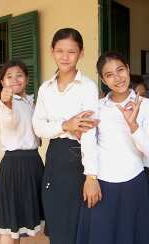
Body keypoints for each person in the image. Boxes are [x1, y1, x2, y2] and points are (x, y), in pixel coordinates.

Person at [76, 51, 149, 244]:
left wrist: (134, 126)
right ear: (103, 80)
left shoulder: (146, 106)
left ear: (128, 69)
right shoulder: (96, 108)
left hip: (134, 183)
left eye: (120, 70)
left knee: (130, 237)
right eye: (109, 74)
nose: (117, 78)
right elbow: (89, 146)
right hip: (102, 184)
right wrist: (90, 178)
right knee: (101, 237)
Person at [32, 28, 101, 244]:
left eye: (71, 51)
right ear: (52, 51)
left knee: (77, 223)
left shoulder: (88, 87)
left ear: (81, 53)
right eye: (60, 50)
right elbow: (38, 127)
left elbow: (89, 134)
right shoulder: (46, 89)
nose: (65, 56)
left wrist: (91, 177)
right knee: (57, 218)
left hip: (79, 159)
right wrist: (66, 125)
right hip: (55, 156)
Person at [0, 59, 44, 244]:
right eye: (9, 76)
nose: (14, 79)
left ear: (27, 78)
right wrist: (7, 104)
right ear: (2, 83)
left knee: (23, 217)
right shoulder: (5, 105)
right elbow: (10, 121)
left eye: (19, 75)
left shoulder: (30, 102)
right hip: (14, 166)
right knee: (10, 222)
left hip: (34, 163)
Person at [131, 75, 149, 244]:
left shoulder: (148, 111)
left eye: (144, 95)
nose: (142, 100)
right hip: (119, 176)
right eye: (138, 95)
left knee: (148, 221)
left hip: (142, 173)